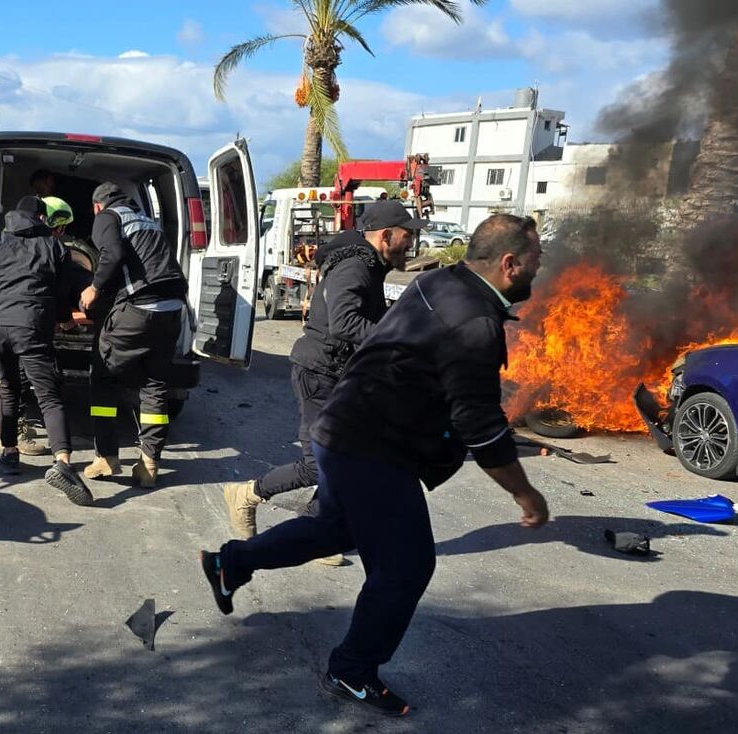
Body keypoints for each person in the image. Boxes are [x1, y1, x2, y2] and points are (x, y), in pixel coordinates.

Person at [200, 214, 550, 717]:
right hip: (372, 447)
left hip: (347, 428)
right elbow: (479, 422)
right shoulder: (473, 320)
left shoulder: (438, 281)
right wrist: (524, 492)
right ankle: (352, 669)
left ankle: (229, 562)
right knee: (407, 567)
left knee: (336, 530)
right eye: (537, 260)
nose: (540, 270)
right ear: (510, 263)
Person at [221, 200, 419, 567]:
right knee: (319, 466)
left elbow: (362, 315)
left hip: (340, 375)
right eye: (407, 235)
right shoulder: (356, 266)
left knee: (345, 460)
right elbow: (344, 324)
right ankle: (246, 494)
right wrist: (397, 339)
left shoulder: (371, 265)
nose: (412, 242)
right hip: (320, 374)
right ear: (386, 235)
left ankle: (316, 532)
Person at [0, 195, 94, 506]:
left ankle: (9, 454)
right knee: (48, 394)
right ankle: (63, 463)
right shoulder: (55, 247)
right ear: (41, 218)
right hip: (31, 324)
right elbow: (60, 293)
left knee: (8, 386)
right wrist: (62, 320)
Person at [79, 182, 188, 489]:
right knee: (155, 384)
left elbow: (111, 256)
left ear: (97, 206)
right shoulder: (147, 222)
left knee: (103, 375)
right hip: (172, 309)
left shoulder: (107, 217)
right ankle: (149, 464)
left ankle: (107, 457)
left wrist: (93, 288)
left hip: (141, 306)